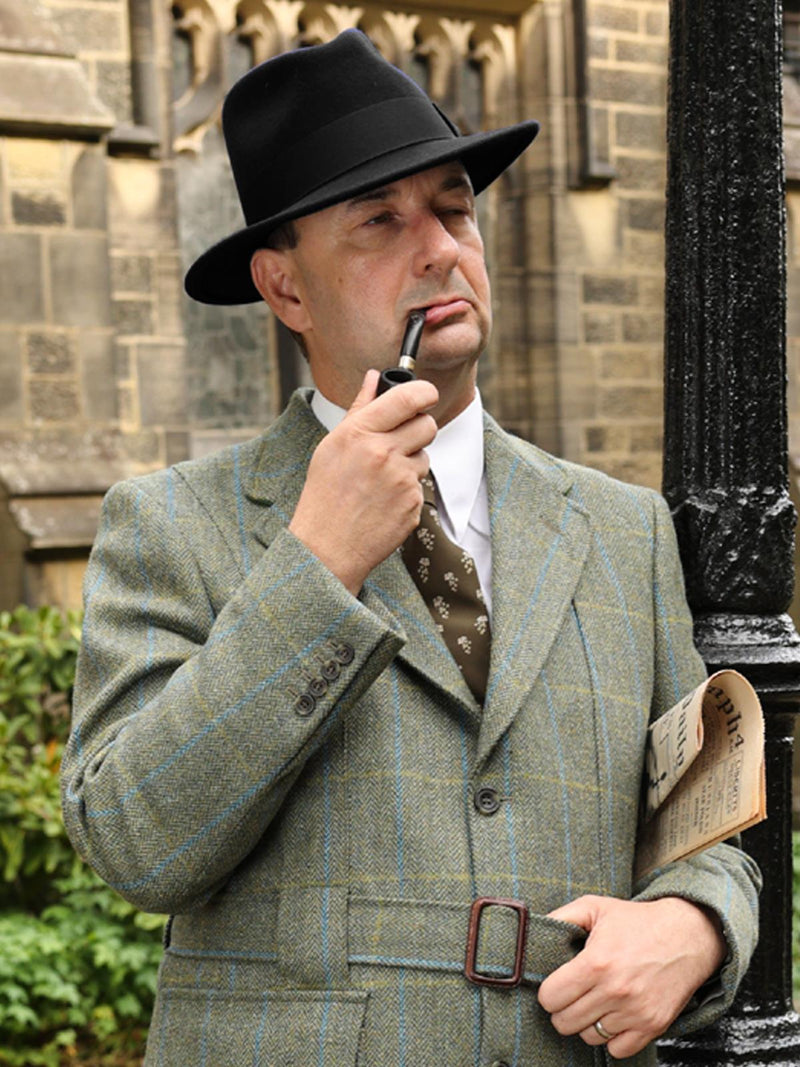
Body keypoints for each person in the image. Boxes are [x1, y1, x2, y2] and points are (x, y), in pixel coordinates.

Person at [61, 29, 760, 1067]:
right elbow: (136, 843)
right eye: (379, 220)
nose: (438, 247)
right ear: (285, 289)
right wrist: (315, 563)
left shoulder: (624, 528)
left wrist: (696, 924)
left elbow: (706, 831)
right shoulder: (169, 522)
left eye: (453, 207)